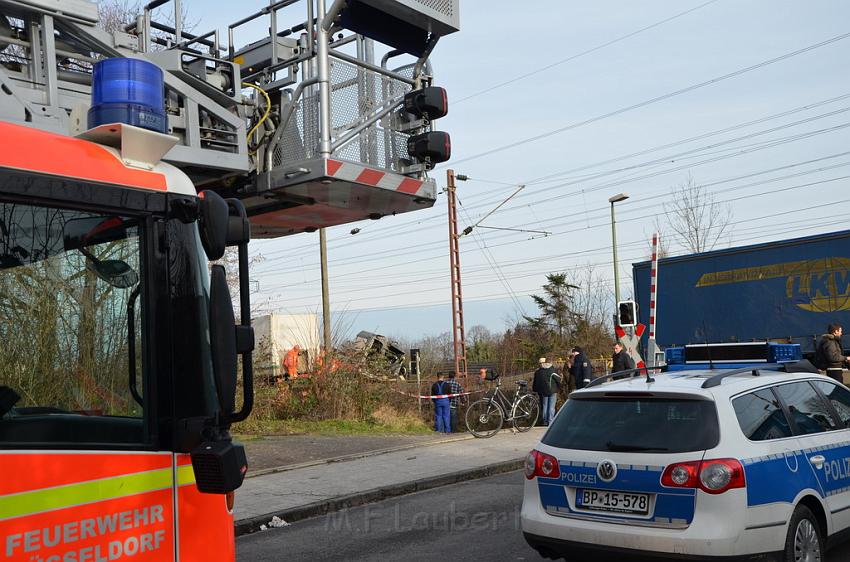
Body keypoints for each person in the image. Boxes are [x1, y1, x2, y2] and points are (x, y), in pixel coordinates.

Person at [533, 357, 561, 426]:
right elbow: (559, 379)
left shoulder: (540, 370)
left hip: (543, 391)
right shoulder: (552, 370)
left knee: (545, 406)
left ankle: (545, 421)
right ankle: (550, 421)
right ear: (551, 362)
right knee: (551, 407)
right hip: (552, 390)